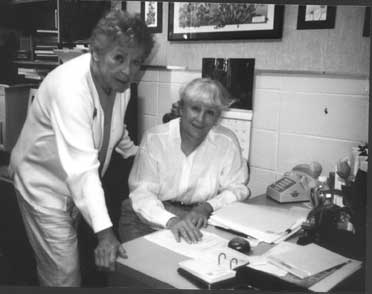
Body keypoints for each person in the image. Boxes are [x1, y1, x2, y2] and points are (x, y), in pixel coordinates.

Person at [8, 10, 154, 287]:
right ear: (96, 52)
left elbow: (113, 127)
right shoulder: (71, 87)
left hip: (73, 184)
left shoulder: (121, 85)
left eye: (137, 62)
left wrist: (136, 153)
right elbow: (82, 169)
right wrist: (105, 234)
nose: (129, 71)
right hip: (43, 185)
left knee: (67, 265)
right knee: (64, 274)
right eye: (119, 58)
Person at [119, 78, 250, 244]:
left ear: (217, 117)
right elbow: (142, 194)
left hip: (198, 217)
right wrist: (171, 221)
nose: (200, 119)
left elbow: (237, 188)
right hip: (147, 217)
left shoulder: (227, 142)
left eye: (210, 112)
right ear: (181, 108)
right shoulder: (155, 139)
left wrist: (207, 207)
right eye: (195, 109)